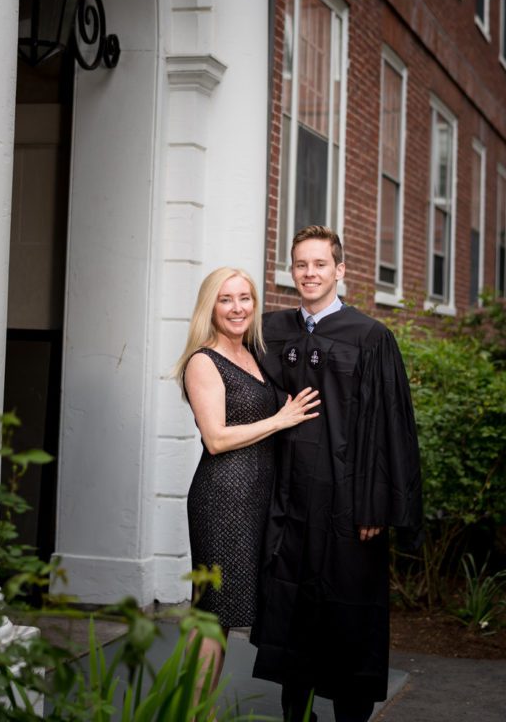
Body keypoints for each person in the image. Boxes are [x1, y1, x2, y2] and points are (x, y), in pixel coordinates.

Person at [251, 226, 423, 722]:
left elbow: (390, 428)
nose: (310, 273)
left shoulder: (369, 337)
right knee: (292, 606)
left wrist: (376, 505)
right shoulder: (271, 330)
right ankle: (294, 713)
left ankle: (350, 716)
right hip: (287, 500)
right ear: (291, 270)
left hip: (348, 502)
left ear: (340, 270)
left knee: (349, 610)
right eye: (301, 265)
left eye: (320, 264)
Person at [176, 266, 321, 693]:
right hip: (223, 498)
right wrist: (280, 420)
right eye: (226, 299)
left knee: (227, 613)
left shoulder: (253, 353)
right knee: (213, 614)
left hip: (257, 497)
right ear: (210, 307)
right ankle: (190, 713)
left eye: (245, 298)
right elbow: (216, 438)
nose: (237, 308)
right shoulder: (203, 360)